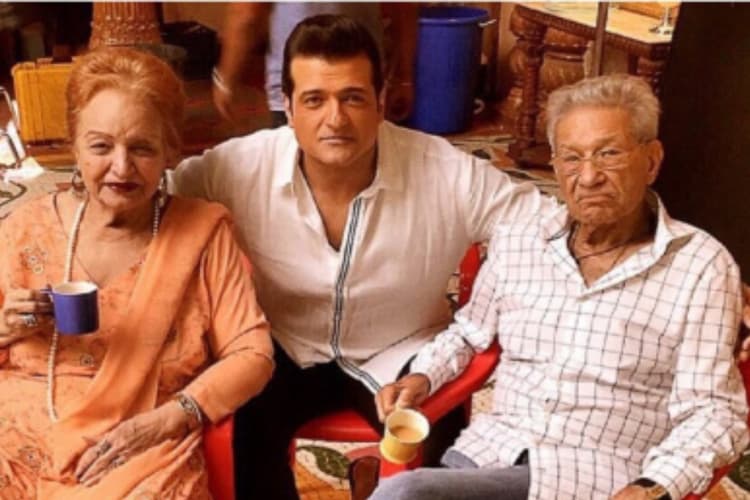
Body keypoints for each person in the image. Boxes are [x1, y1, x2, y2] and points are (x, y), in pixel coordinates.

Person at [171, 14, 554, 500]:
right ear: (288, 105)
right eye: (314, 100)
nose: (335, 119)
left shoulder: (447, 173)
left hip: (406, 354)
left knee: (442, 478)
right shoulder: (236, 167)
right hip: (283, 348)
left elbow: (549, 229)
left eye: (352, 97)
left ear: (381, 99)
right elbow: (155, 200)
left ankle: (379, 481)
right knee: (238, 444)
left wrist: (490, 316)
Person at [370, 74, 749, 500]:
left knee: (406, 494)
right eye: (571, 158)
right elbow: (469, 332)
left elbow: (714, 410)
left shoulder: (700, 266)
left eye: (608, 153)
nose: (588, 177)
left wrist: (654, 487)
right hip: (488, 458)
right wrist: (424, 374)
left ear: (651, 160)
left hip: (597, 480)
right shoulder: (519, 239)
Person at [0, 47, 274, 499]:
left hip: (138, 439)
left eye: (142, 148)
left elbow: (252, 353)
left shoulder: (202, 233)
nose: (121, 167)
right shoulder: (24, 228)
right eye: (101, 146)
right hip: (19, 428)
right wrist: (6, 328)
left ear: (171, 150)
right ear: (74, 146)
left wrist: (172, 417)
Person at [212, 3, 417, 126]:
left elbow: (247, 12)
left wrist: (226, 80)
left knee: (295, 177)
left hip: (302, 90)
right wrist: (404, 77)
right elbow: (404, 9)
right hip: (363, 85)